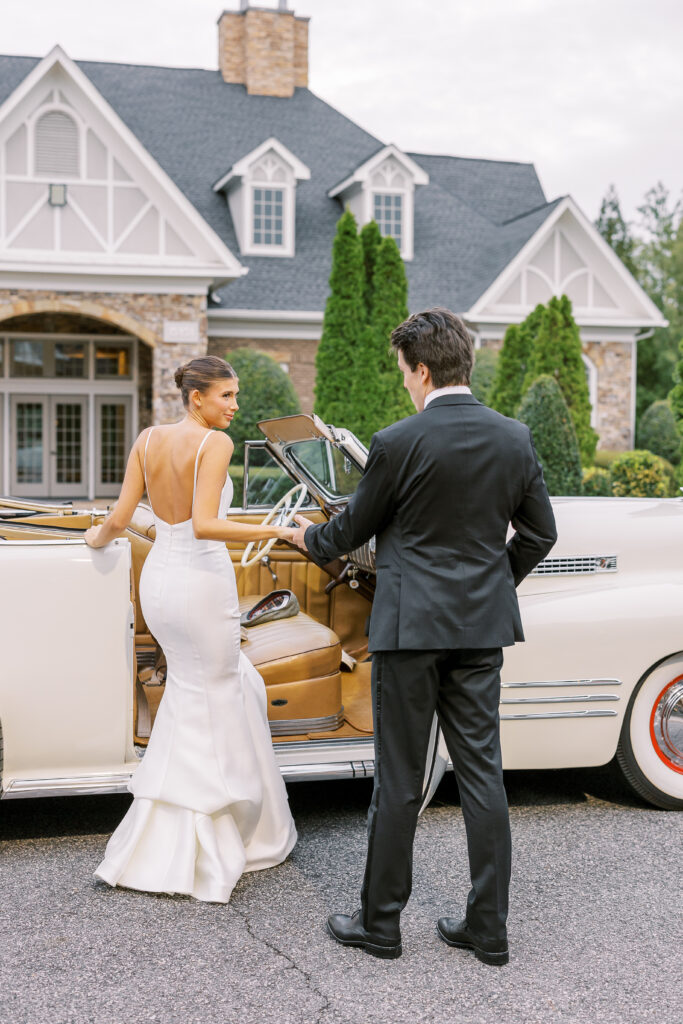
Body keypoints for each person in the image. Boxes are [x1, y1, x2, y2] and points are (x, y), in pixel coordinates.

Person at [290, 308, 557, 964]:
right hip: (479, 631)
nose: (404, 383)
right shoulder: (513, 438)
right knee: (482, 776)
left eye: (405, 372)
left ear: (424, 369)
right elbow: (540, 533)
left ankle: (380, 927)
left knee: (400, 780)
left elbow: (347, 533)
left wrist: (302, 537)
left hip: (409, 631)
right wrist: (493, 587)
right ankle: (486, 931)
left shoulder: (398, 441)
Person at [86, 355, 297, 903]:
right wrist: (279, 530)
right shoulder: (215, 444)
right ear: (196, 397)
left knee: (194, 689)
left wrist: (93, 541)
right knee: (220, 690)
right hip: (201, 582)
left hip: (159, 582)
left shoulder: (148, 439)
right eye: (226, 396)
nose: (234, 405)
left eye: (235, 394)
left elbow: (122, 515)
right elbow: (206, 524)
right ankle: (218, 835)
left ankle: (163, 837)